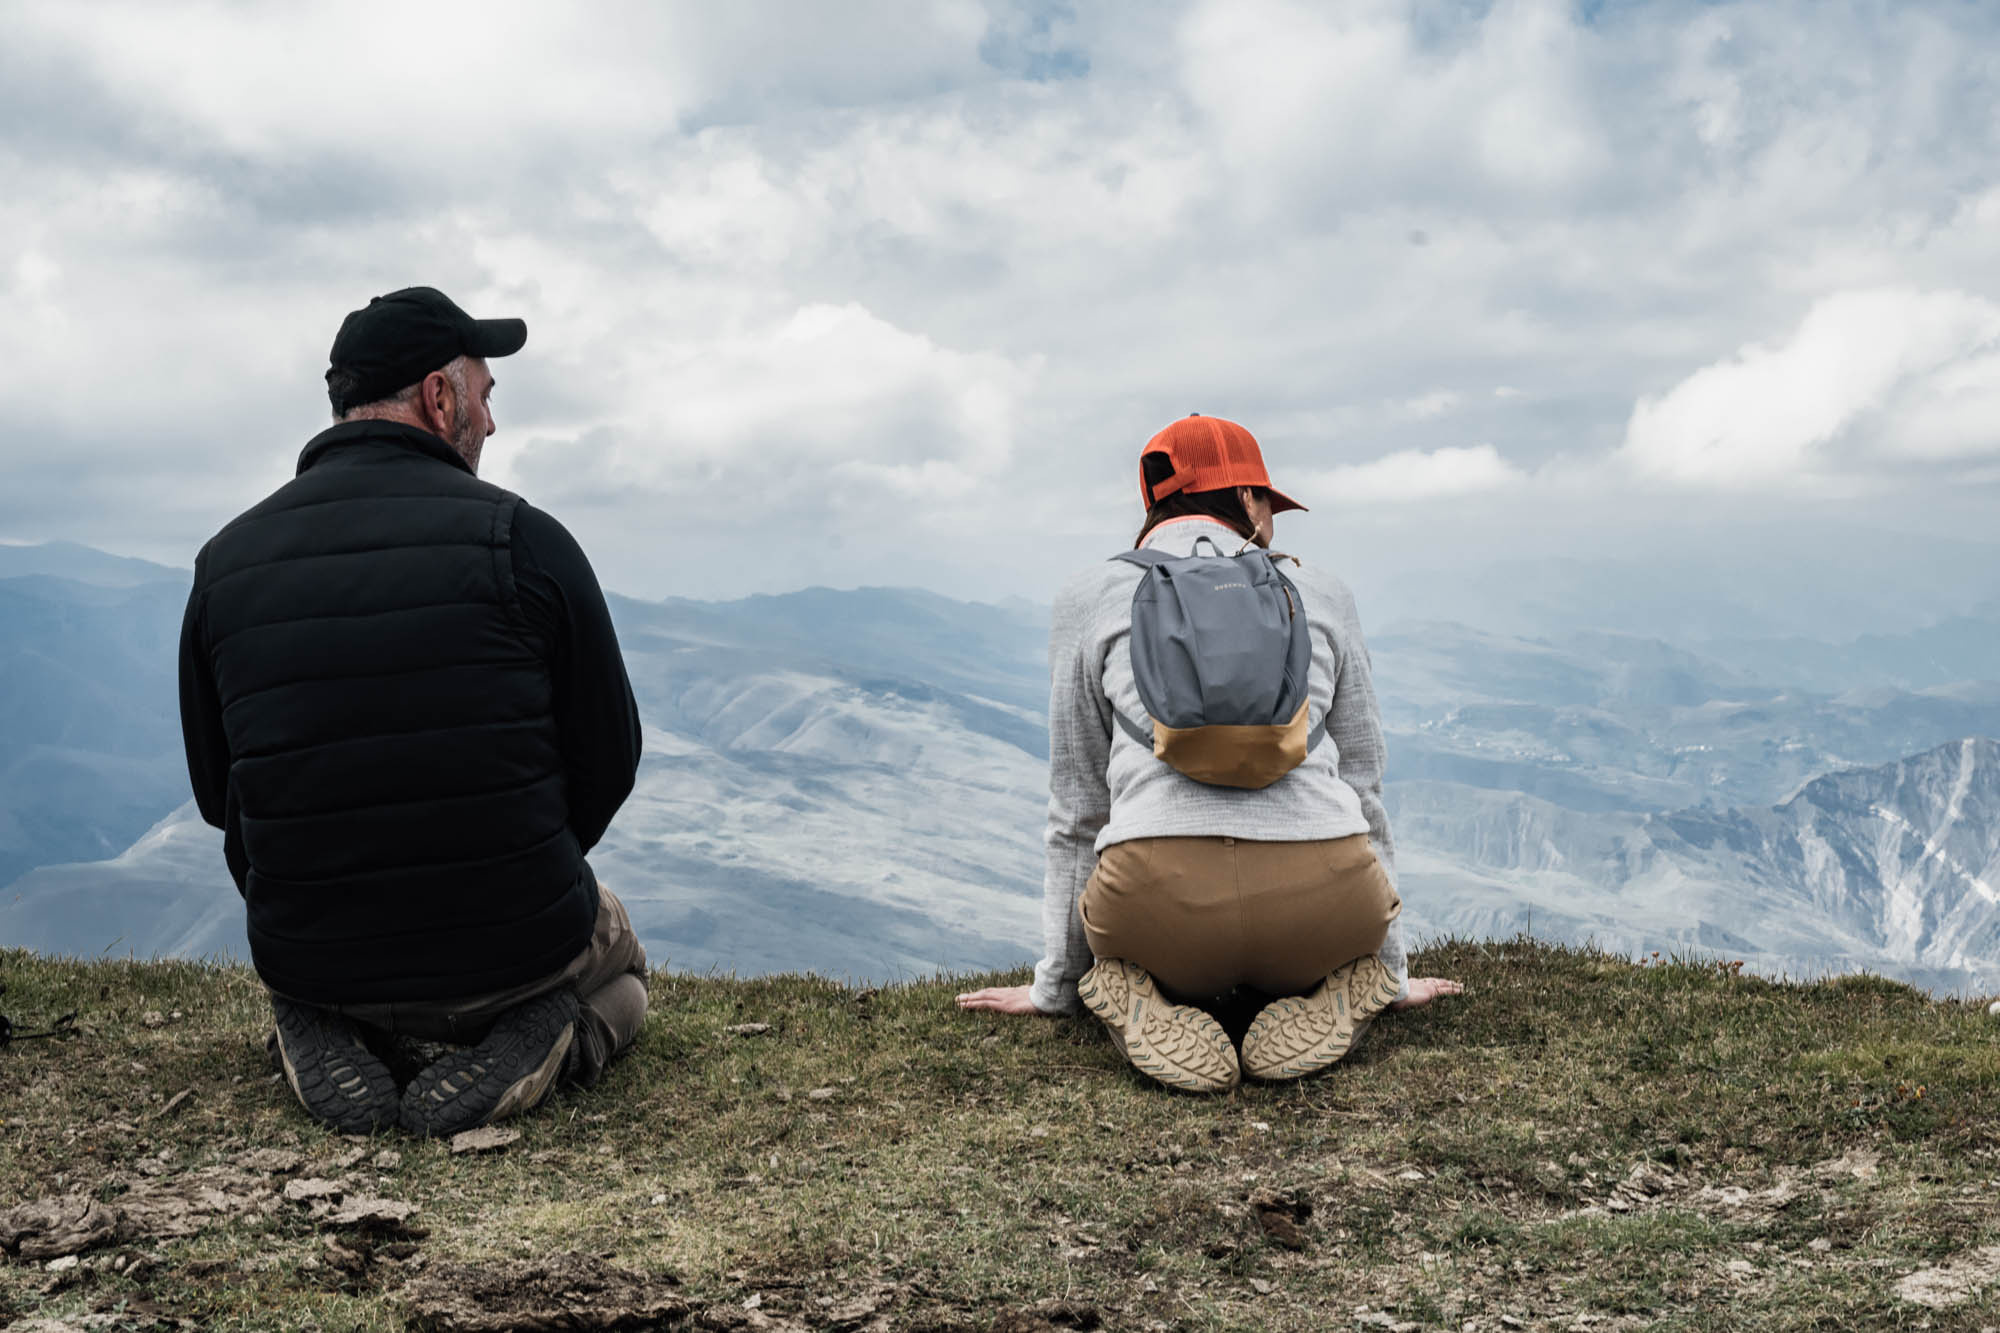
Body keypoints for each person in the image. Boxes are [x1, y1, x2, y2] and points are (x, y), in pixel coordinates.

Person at [177, 287, 648, 1135]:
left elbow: (221, 796)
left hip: (313, 947)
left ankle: (317, 1015)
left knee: (335, 973)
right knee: (626, 966)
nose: (493, 425)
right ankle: (558, 1033)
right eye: (487, 394)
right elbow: (609, 761)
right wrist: (513, 872)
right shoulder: (526, 541)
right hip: (510, 950)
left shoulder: (225, 561)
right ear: (440, 398)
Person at [958, 414, 1461, 1091]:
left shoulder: (1092, 596)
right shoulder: (1322, 592)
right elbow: (1366, 785)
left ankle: (1130, 996)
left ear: (1154, 505)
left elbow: (1077, 809)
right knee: (1344, 945)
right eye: (1271, 505)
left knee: (1124, 958)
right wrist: (1395, 973)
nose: (1274, 522)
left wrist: (1057, 986)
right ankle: (1348, 992)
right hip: (1322, 903)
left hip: (1157, 909)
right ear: (1247, 502)